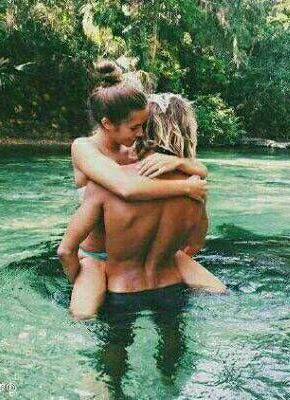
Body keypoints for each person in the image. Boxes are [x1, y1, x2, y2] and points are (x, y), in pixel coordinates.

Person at [58, 72, 227, 318]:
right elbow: (126, 188)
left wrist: (178, 162)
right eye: (135, 127)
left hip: (139, 251)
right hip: (97, 255)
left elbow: (201, 170)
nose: (140, 133)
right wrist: (185, 188)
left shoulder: (133, 148)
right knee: (82, 315)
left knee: (219, 291)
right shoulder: (84, 147)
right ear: (107, 124)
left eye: (143, 126)